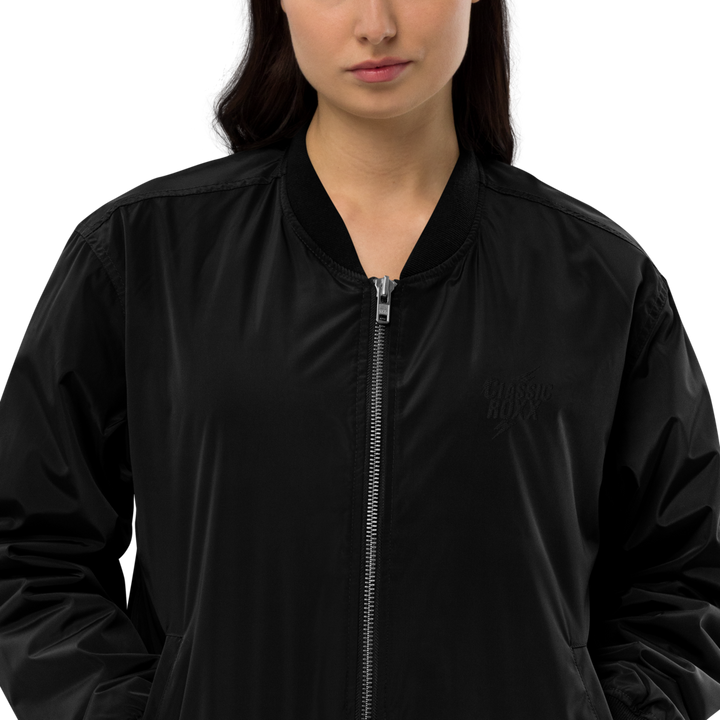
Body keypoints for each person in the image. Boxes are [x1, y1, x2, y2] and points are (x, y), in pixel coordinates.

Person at [1, 0, 719, 718]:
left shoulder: (603, 279)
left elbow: (692, 576)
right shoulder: (141, 255)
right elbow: (28, 552)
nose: (376, 23)